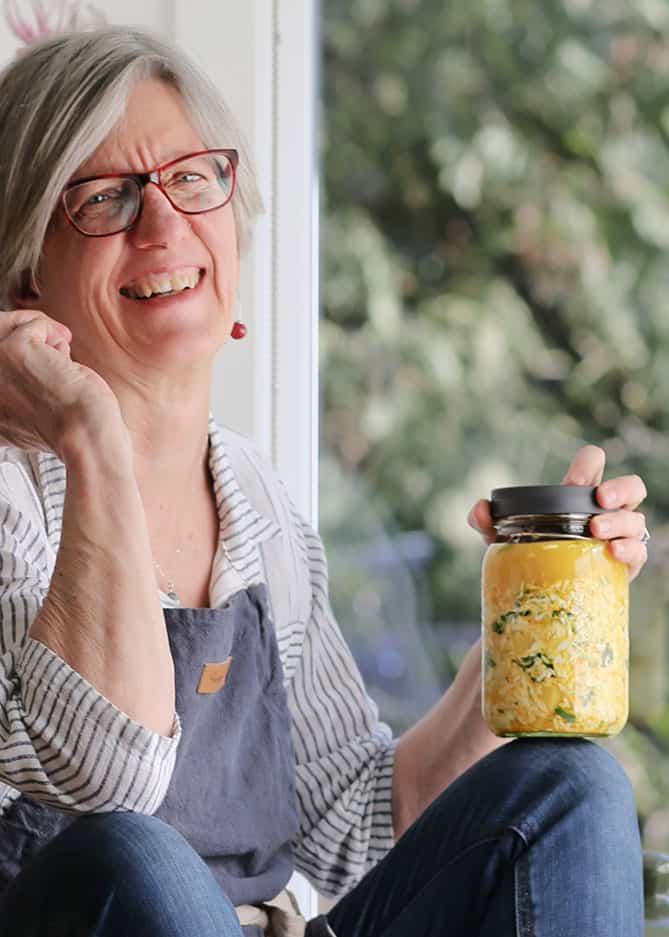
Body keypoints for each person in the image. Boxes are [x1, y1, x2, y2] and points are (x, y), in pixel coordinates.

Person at [0, 25, 649, 937]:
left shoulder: (252, 498)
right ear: (26, 273)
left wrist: (526, 627)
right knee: (135, 855)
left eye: (190, 178)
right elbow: (112, 785)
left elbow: (349, 830)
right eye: (104, 197)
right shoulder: (11, 501)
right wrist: (92, 439)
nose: (163, 224)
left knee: (566, 785)